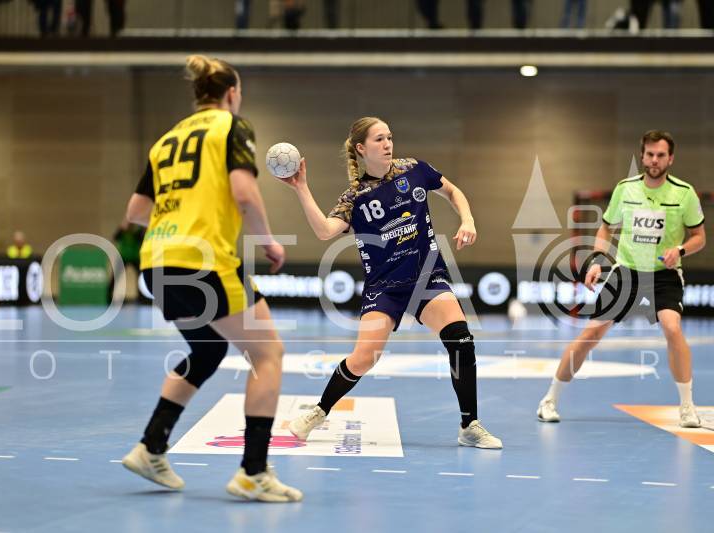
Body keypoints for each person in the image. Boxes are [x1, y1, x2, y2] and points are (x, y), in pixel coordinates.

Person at [121, 54, 302, 502]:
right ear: (232, 94)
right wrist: (268, 242)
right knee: (268, 354)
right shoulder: (231, 127)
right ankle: (253, 472)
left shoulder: (166, 140)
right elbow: (245, 193)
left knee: (207, 350)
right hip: (203, 261)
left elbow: (136, 212)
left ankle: (151, 446)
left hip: (156, 261)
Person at [281, 117, 503, 449]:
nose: (388, 144)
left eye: (389, 137)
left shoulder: (414, 169)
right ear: (361, 148)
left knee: (461, 340)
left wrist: (467, 219)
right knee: (364, 358)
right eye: (379, 139)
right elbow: (325, 231)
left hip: (427, 277)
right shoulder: (355, 196)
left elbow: (452, 191)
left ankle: (469, 425)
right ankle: (319, 411)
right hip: (384, 287)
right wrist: (301, 188)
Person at [537, 130, 706, 428]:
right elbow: (606, 229)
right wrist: (597, 261)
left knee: (672, 327)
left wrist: (679, 250)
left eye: (661, 155)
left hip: (663, 276)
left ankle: (687, 407)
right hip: (626, 272)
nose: (654, 160)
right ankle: (549, 399)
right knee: (590, 334)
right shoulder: (625, 189)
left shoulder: (684, 193)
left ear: (670, 159)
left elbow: (699, 237)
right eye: (650, 154)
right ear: (642, 156)